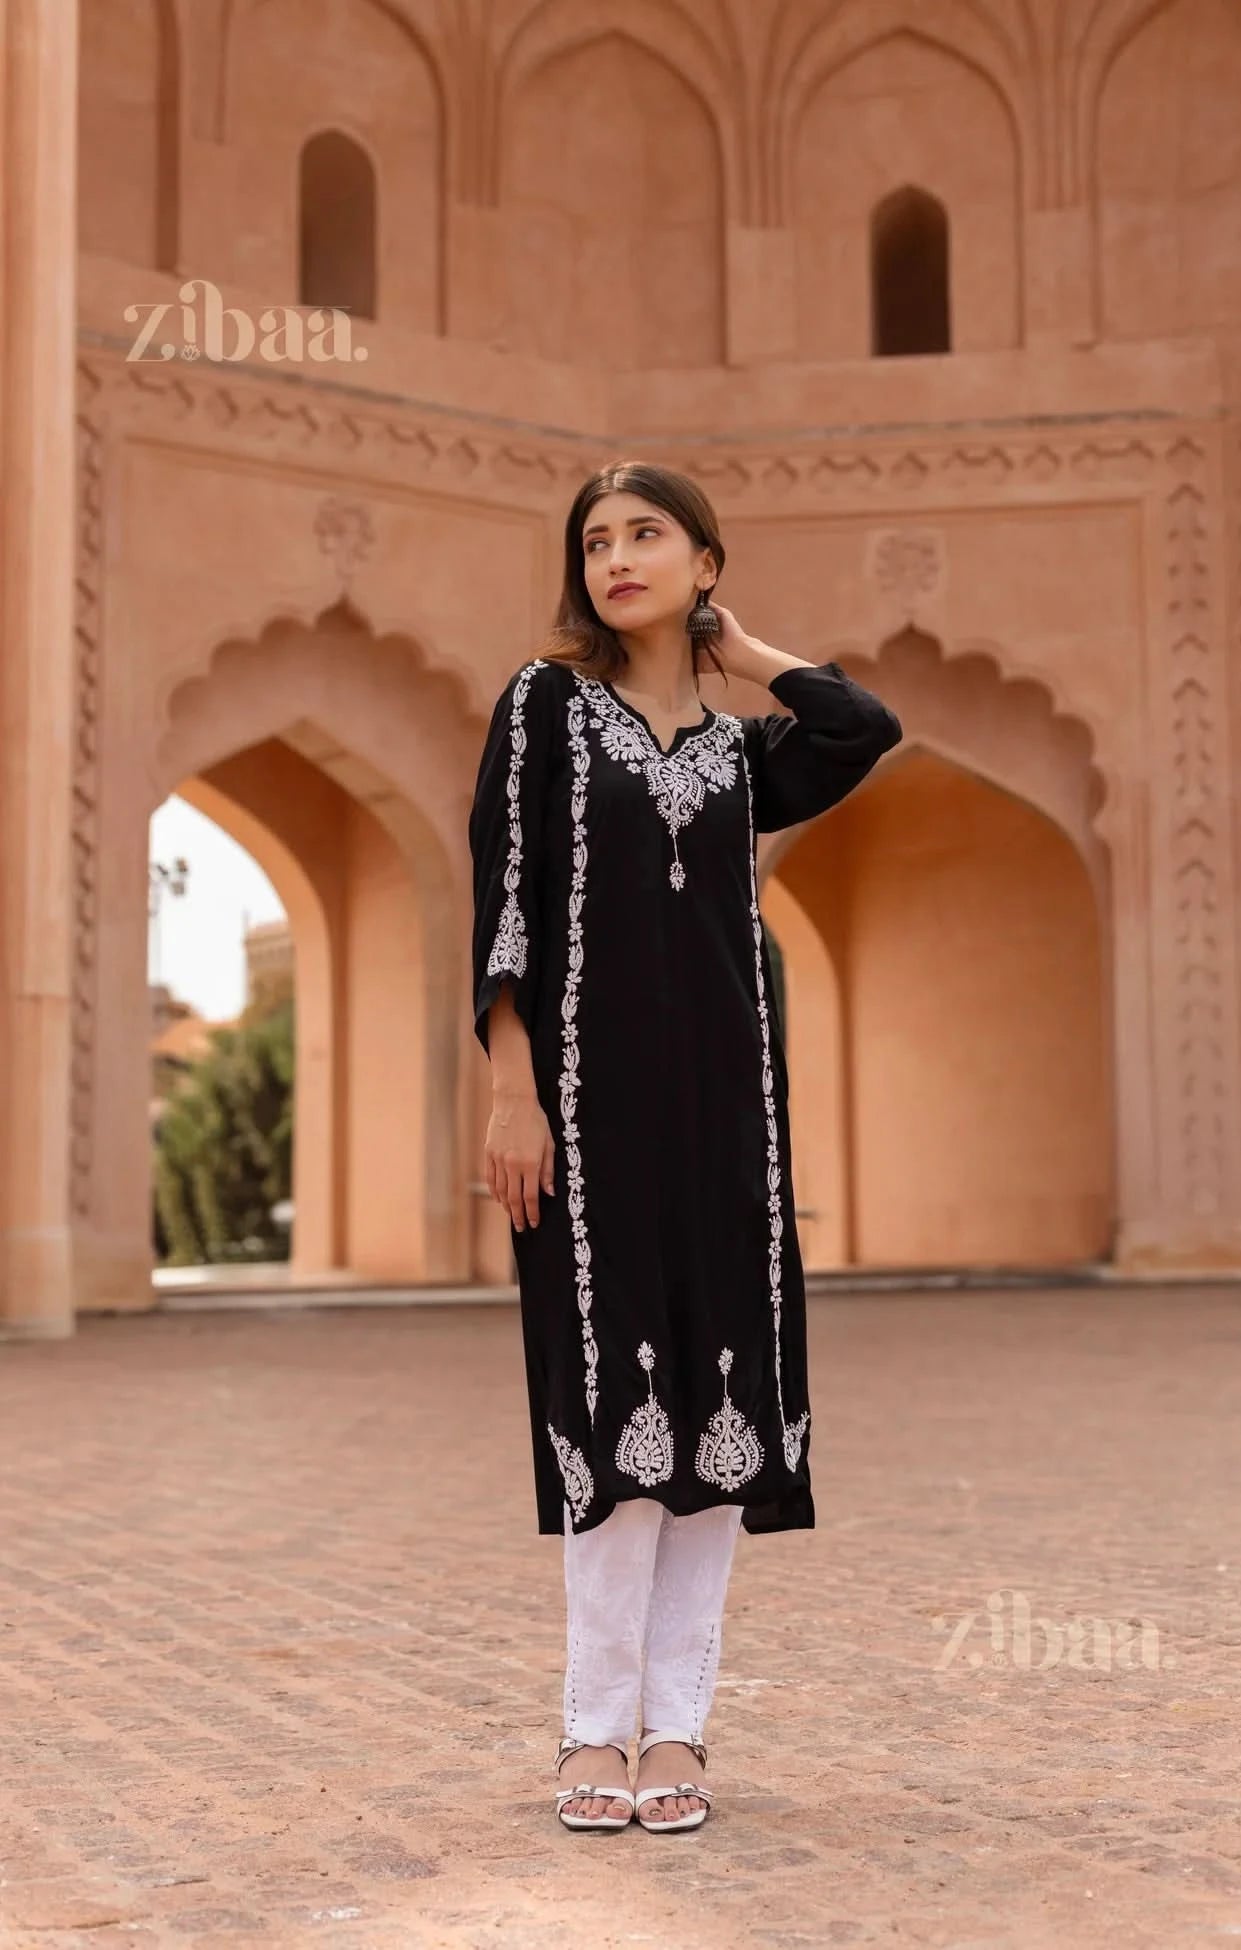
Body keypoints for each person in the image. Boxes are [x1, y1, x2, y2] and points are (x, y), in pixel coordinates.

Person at [467, 461, 902, 1832]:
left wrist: (743, 649)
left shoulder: (741, 754)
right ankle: (593, 1726)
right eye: (595, 540)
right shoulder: (545, 708)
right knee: (608, 1409)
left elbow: (865, 725)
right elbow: (507, 903)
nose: (615, 558)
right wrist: (511, 1088)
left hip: (730, 1116)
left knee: (721, 1409)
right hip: (586, 1114)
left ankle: (682, 1730)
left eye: (647, 534)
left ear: (705, 560)